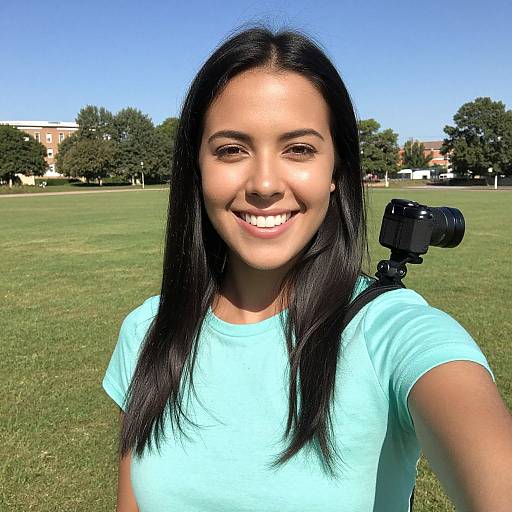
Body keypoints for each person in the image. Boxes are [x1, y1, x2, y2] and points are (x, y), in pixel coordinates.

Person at [102, 27, 512, 512]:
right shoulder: (148, 329)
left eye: (298, 149)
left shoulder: (394, 334)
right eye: (232, 149)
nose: (265, 183)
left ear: (336, 172)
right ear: (197, 169)